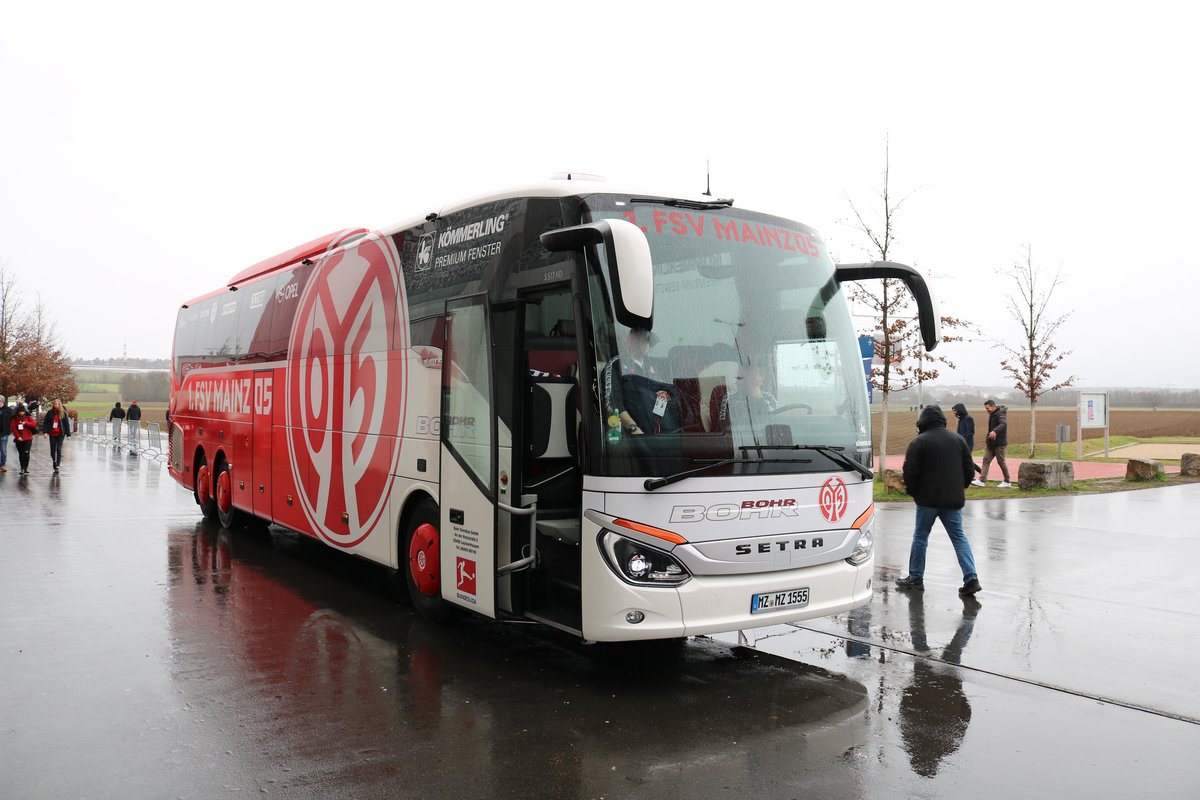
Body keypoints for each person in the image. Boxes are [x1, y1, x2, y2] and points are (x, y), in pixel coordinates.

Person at [896, 404, 982, 596]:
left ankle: (915, 578)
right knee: (959, 538)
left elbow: (909, 472)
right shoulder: (958, 440)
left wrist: (914, 493)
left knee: (920, 538)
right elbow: (969, 470)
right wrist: (961, 487)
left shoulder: (919, 442)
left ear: (923, 422)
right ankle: (971, 578)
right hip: (953, 500)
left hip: (927, 500)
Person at [603, 327, 683, 436]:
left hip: (667, 435)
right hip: (636, 439)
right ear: (628, 339)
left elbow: (675, 395)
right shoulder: (616, 366)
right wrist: (634, 428)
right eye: (641, 339)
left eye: (648, 341)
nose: (646, 344)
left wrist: (667, 396)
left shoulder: (657, 365)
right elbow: (612, 403)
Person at [717, 362, 778, 432]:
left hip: (763, 440)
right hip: (736, 439)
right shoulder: (729, 398)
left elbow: (772, 425)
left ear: (761, 379)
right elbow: (723, 428)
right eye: (739, 377)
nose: (738, 378)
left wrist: (756, 395)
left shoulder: (770, 399)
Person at [980, 399, 1012, 488]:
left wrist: (995, 431)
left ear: (993, 406)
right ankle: (982, 480)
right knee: (986, 460)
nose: (987, 410)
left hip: (999, 443)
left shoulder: (1000, 414)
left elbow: (1003, 424)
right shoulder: (992, 414)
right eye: (986, 408)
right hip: (990, 444)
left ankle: (1007, 481)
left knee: (1001, 461)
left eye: (988, 408)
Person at [953, 402, 985, 486]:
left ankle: (980, 474)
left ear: (959, 410)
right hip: (961, 444)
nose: (954, 413)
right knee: (965, 461)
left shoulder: (968, 418)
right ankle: (980, 474)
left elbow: (970, 432)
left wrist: (963, 442)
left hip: (967, 444)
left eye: (954, 411)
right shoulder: (961, 419)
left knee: (967, 461)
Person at [41, 398, 72, 473]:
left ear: (60, 404)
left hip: (60, 434)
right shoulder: (50, 412)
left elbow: (66, 424)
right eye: (55, 404)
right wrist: (45, 432)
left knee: (58, 449)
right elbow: (46, 422)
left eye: (58, 404)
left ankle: (57, 465)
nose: (56, 405)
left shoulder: (63, 412)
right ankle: (54, 461)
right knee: (52, 451)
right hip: (52, 433)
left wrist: (68, 434)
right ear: (53, 405)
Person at [10, 405, 38, 476]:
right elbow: (14, 429)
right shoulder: (14, 418)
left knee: (26, 453)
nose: (21, 413)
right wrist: (18, 437)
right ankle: (22, 468)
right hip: (19, 439)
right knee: (21, 454)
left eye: (22, 412)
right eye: (20, 412)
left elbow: (34, 424)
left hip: (28, 438)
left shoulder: (28, 417)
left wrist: (26, 423)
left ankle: (26, 467)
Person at [0, 397, 12, 473]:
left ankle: (3, 465)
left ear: (2, 402)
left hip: (4, 433)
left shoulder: (8, 410)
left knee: (3, 450)